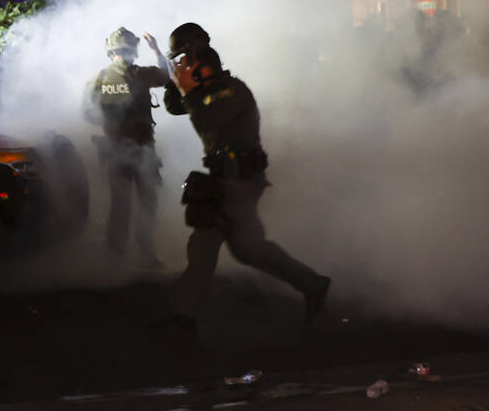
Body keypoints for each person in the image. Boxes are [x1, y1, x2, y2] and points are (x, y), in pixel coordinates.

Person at [157, 22, 330, 337]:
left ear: (204, 68)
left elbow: (204, 120)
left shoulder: (229, 90)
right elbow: (173, 107)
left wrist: (187, 89)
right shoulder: (205, 90)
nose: (184, 67)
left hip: (240, 181)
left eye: (187, 63)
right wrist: (175, 81)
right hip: (229, 179)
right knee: (248, 249)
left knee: (204, 245)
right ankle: (312, 284)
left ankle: (183, 320)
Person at [82, 26, 168, 268]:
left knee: (120, 205)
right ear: (134, 50)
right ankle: (146, 255)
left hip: (114, 150)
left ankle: (116, 257)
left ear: (111, 51)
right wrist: (157, 49)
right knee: (148, 202)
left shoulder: (98, 79)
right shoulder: (142, 74)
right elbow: (168, 75)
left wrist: (110, 125)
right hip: (142, 148)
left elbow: (86, 113)